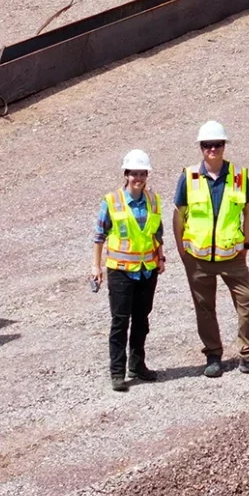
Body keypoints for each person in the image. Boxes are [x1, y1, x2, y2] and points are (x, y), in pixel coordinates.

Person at [174, 121, 249, 378]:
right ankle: (213, 356)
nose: (212, 149)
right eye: (207, 145)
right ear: (201, 147)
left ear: (224, 146)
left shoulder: (239, 176)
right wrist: (183, 252)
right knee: (204, 307)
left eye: (217, 144)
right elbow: (179, 216)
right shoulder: (189, 177)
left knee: (247, 302)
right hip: (198, 257)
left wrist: (246, 244)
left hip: (232, 256)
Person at [91, 148, 163, 392]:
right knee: (120, 322)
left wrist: (160, 257)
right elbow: (99, 235)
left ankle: (137, 365)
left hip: (146, 270)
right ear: (126, 174)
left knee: (142, 320)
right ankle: (117, 372)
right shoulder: (112, 201)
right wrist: (96, 266)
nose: (138, 178)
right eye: (134, 173)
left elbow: (157, 233)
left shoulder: (153, 200)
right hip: (120, 271)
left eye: (142, 173)